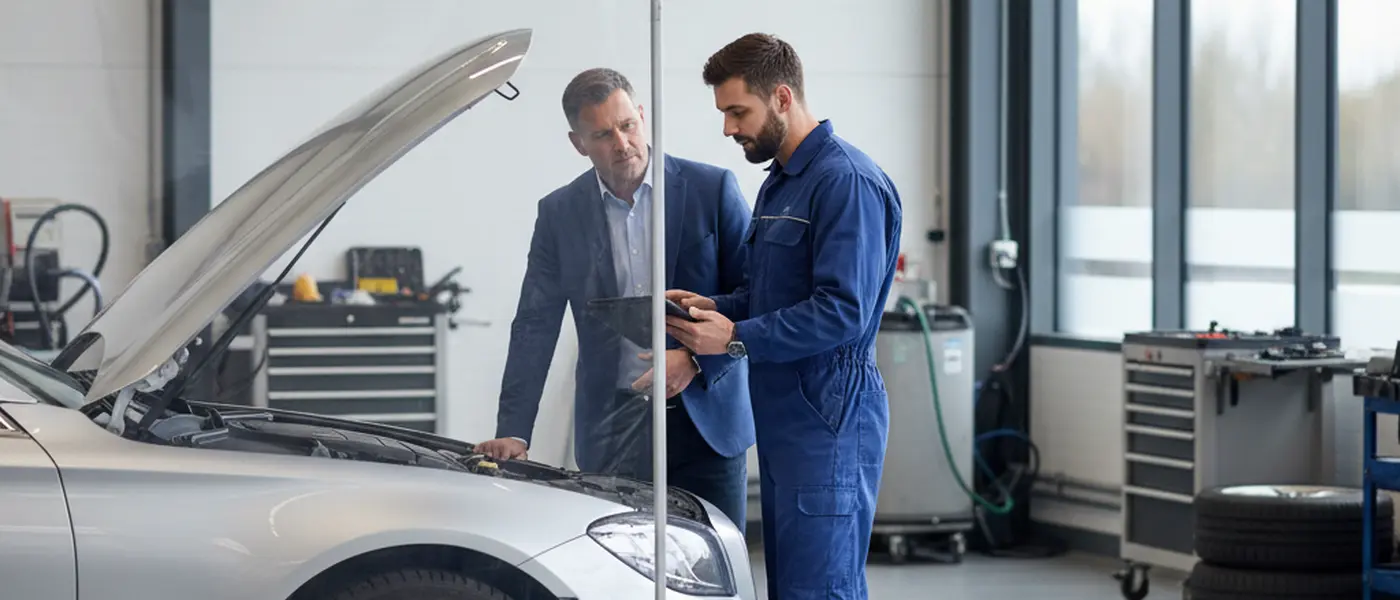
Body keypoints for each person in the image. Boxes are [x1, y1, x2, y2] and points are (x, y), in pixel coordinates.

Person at [665, 34, 903, 599]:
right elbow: (768, 295)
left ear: (780, 97)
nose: (728, 129)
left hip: (829, 420)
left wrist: (736, 338)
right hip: (784, 421)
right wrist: (710, 308)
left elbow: (842, 312)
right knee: (794, 588)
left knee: (820, 589)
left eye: (736, 111)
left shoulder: (846, 182)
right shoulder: (781, 183)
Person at [476, 67, 755, 530]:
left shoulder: (713, 189)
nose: (622, 143)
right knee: (618, 574)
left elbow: (753, 294)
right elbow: (534, 325)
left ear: (642, 116)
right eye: (603, 134)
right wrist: (513, 429)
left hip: (708, 424)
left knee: (714, 576)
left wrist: (695, 358)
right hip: (612, 432)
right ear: (578, 142)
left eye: (627, 125)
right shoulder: (559, 213)